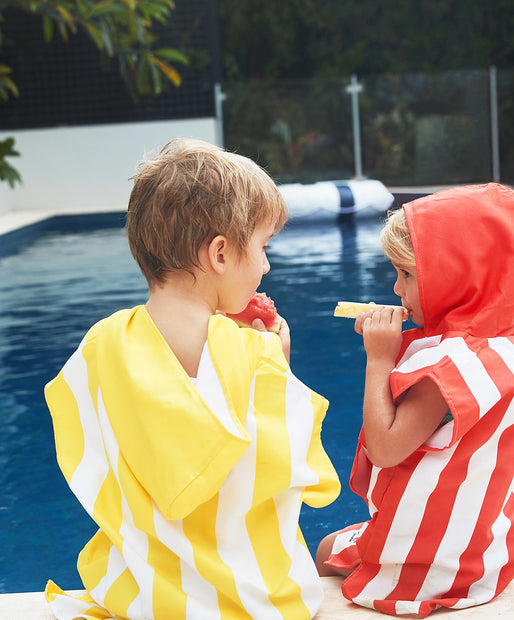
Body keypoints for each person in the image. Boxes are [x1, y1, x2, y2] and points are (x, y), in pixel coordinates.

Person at [44, 138, 340, 620]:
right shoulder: (253, 352)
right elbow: (294, 470)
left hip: (150, 597)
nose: (266, 265)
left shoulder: (100, 344)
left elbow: (89, 451)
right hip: (252, 599)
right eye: (263, 247)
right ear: (220, 254)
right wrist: (278, 363)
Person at [316, 183, 514, 617]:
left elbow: (385, 450)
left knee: (327, 547)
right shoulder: (501, 343)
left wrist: (379, 358)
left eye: (406, 275)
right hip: (489, 552)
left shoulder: (445, 369)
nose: (397, 290)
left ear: (456, 275)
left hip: (431, 566)